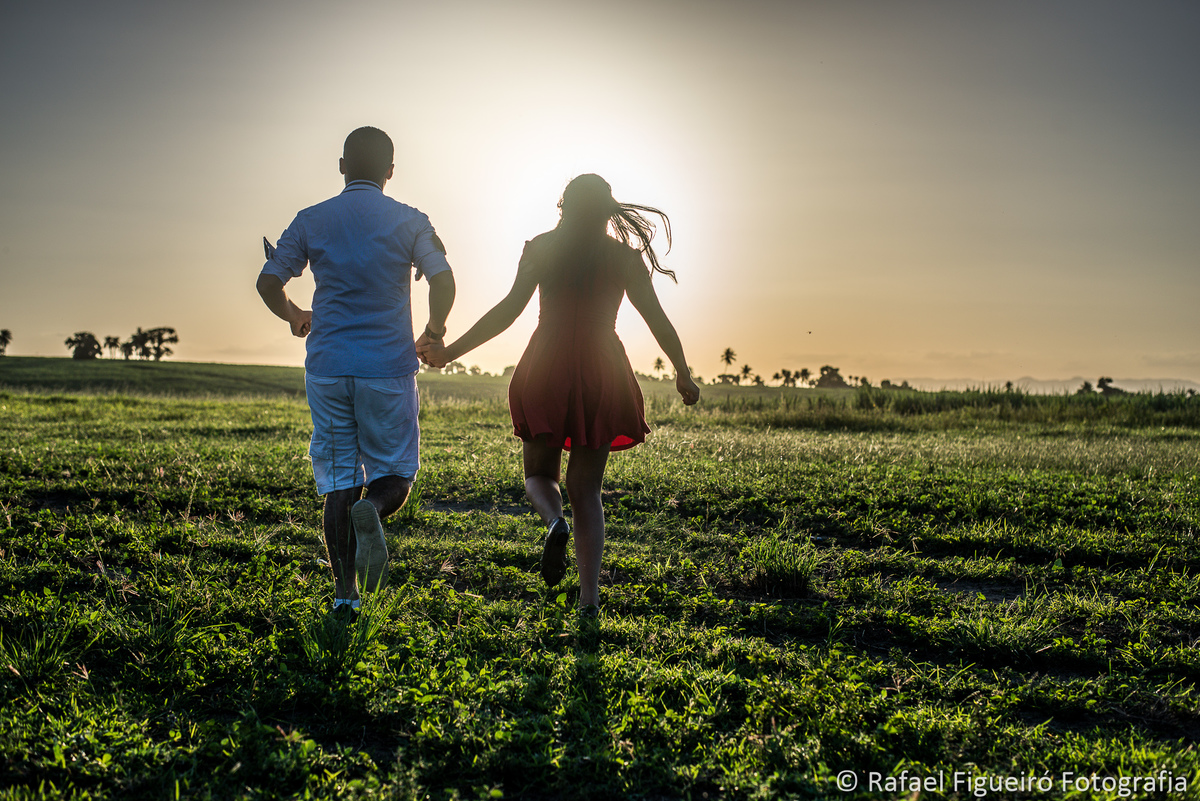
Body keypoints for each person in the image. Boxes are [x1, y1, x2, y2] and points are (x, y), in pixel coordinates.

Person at [418, 174, 699, 617]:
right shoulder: (624, 257)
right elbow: (658, 321)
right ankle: (589, 602)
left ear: (562, 204)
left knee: (539, 476)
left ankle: (554, 521)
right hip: (601, 367)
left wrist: (451, 351)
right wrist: (683, 373)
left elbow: (508, 311)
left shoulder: (541, 247)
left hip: (545, 363)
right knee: (587, 489)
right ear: (608, 210)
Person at [257, 126, 456, 620]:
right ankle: (377, 509)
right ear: (391, 171)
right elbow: (444, 279)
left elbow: (267, 281)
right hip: (387, 368)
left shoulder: (311, 219)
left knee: (338, 482)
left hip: (327, 367)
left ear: (342, 165)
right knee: (394, 475)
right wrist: (433, 330)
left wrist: (294, 315)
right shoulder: (411, 221)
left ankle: (345, 594)